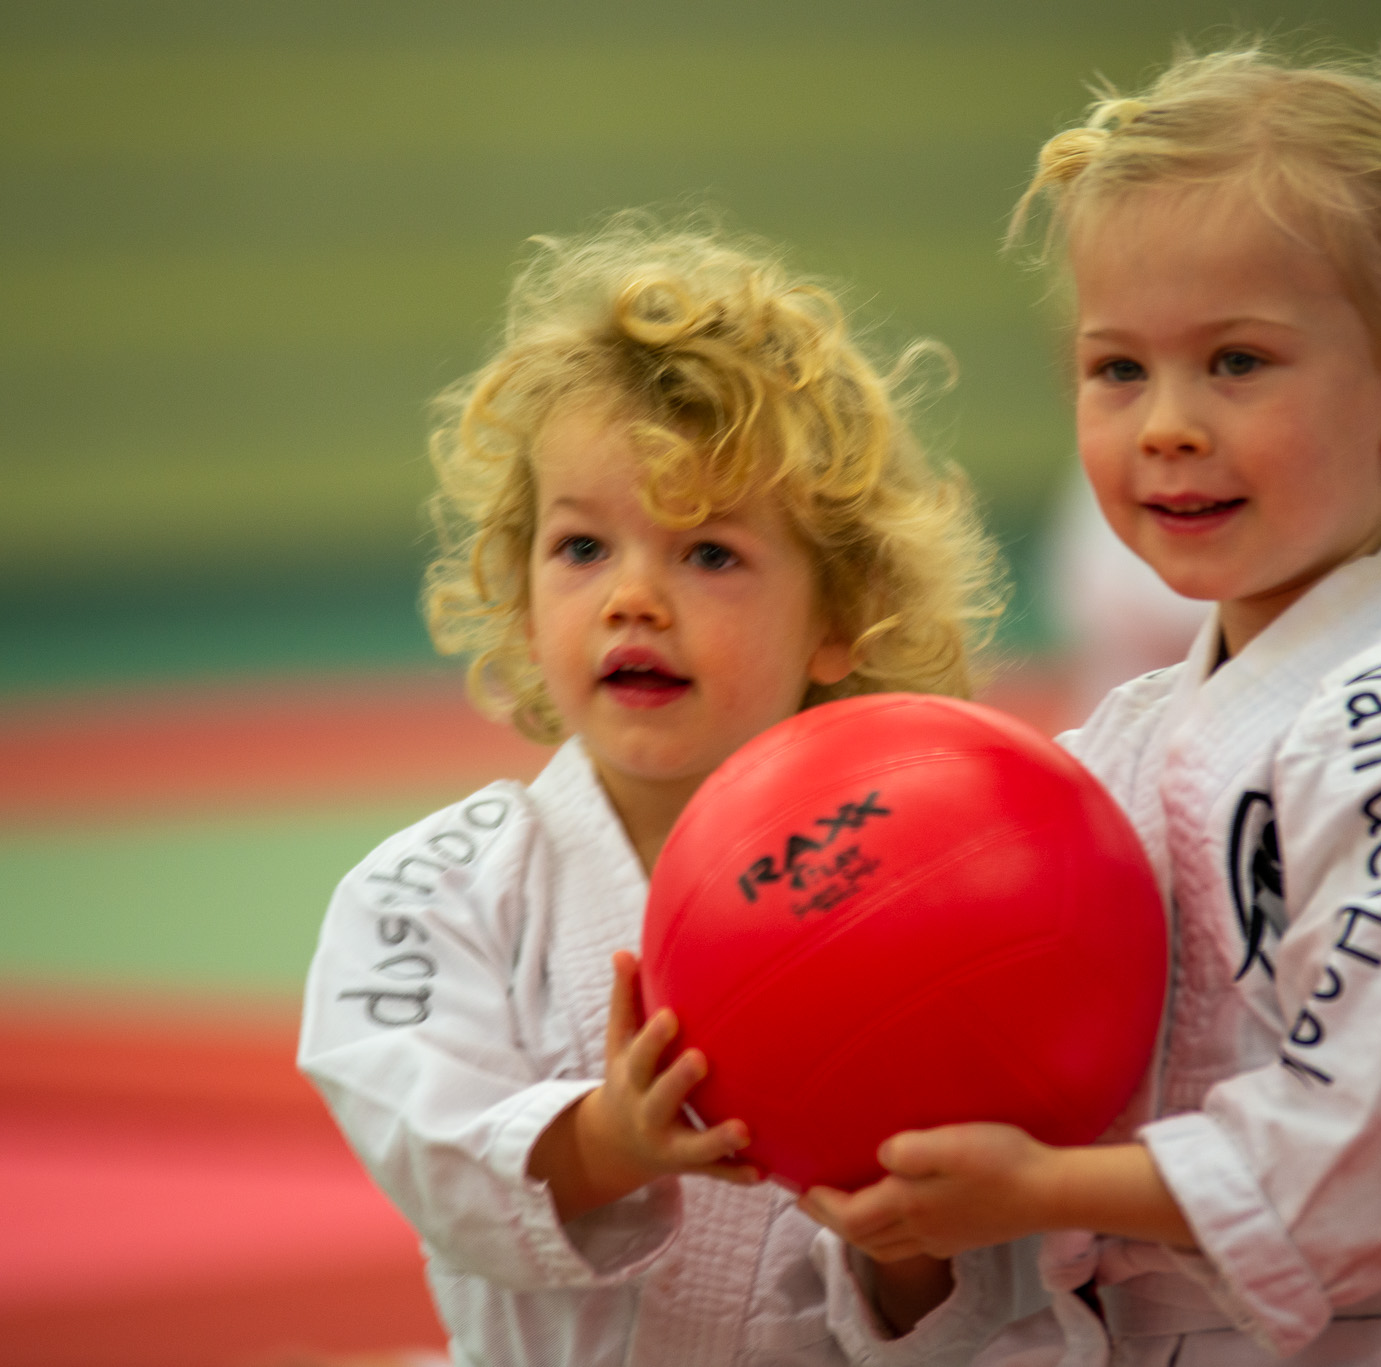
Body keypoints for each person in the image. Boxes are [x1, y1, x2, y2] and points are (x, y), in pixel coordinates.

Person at [803, 46, 1381, 1366]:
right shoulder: (1133, 738)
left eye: (1238, 360)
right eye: (1118, 369)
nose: (1168, 425)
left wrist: (1036, 1190)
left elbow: (1369, 1149)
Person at [297, 217, 1007, 1367]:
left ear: (837, 616)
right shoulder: (434, 886)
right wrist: (603, 1141)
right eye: (582, 548)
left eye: (708, 553)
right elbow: (416, 1128)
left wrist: (906, 1237)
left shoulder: (915, 898)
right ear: (521, 594)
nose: (633, 597)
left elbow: (968, 1286)